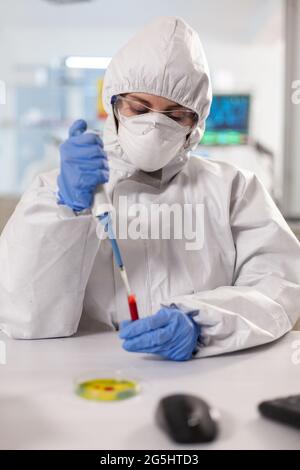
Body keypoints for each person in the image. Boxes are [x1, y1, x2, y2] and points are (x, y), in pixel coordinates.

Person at [0, 17, 300, 361]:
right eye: (139, 108)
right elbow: (21, 316)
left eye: (175, 114)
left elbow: (280, 289)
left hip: (206, 371)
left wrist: (204, 325)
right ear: (114, 104)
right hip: (85, 378)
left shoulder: (234, 189)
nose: (156, 124)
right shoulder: (55, 189)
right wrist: (66, 210)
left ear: (195, 123)